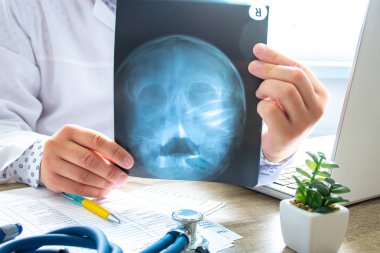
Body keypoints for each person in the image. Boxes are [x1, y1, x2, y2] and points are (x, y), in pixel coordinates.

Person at [0, 0, 329, 198]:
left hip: (208, 211)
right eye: (152, 97)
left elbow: (249, 159)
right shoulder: (25, 7)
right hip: (68, 207)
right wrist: (40, 159)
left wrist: (273, 150)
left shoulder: (241, 15)